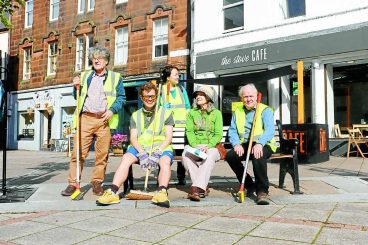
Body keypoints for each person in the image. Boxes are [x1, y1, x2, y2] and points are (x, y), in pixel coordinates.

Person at [61, 46, 126, 197]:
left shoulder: (116, 77)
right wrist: (75, 85)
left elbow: (121, 97)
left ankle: (97, 182)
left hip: (104, 120)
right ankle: (73, 183)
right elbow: (76, 95)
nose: (96, 60)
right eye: (94, 57)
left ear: (106, 61)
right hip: (86, 118)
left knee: (102, 154)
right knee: (78, 153)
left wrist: (112, 110)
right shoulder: (84, 76)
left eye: (100, 58)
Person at [96, 81, 174, 208]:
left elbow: (169, 137)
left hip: (161, 148)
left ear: (157, 96)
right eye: (146, 97)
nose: (149, 99)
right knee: (126, 158)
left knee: (164, 161)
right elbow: (133, 137)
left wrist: (158, 151)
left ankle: (162, 192)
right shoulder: (135, 115)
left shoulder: (166, 113)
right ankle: (113, 192)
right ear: (141, 98)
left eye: (152, 96)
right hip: (140, 148)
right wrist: (142, 153)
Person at [226, 83, 277, 205]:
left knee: (257, 154)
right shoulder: (238, 111)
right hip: (245, 144)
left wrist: (260, 143)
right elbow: (232, 131)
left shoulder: (265, 110)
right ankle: (249, 184)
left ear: (256, 96)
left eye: (251, 96)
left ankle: (262, 190)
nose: (248, 99)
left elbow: (270, 130)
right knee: (231, 156)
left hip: (264, 144)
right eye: (245, 96)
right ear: (241, 98)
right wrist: (236, 144)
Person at [182, 86, 223, 201]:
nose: (198, 97)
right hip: (196, 146)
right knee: (185, 155)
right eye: (197, 95)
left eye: (202, 94)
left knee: (209, 156)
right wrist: (195, 145)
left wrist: (208, 146)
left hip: (212, 147)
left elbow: (218, 134)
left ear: (208, 97)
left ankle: (196, 188)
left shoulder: (217, 113)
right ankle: (202, 187)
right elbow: (189, 131)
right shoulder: (191, 113)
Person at [160, 65, 190, 185]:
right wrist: (162, 108)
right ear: (168, 77)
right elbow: (156, 109)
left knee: (180, 153)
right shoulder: (160, 90)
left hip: (181, 128)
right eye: (175, 74)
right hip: (166, 128)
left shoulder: (182, 89)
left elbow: (187, 107)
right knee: (164, 153)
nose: (178, 77)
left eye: (178, 74)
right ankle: (161, 178)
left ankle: (181, 177)